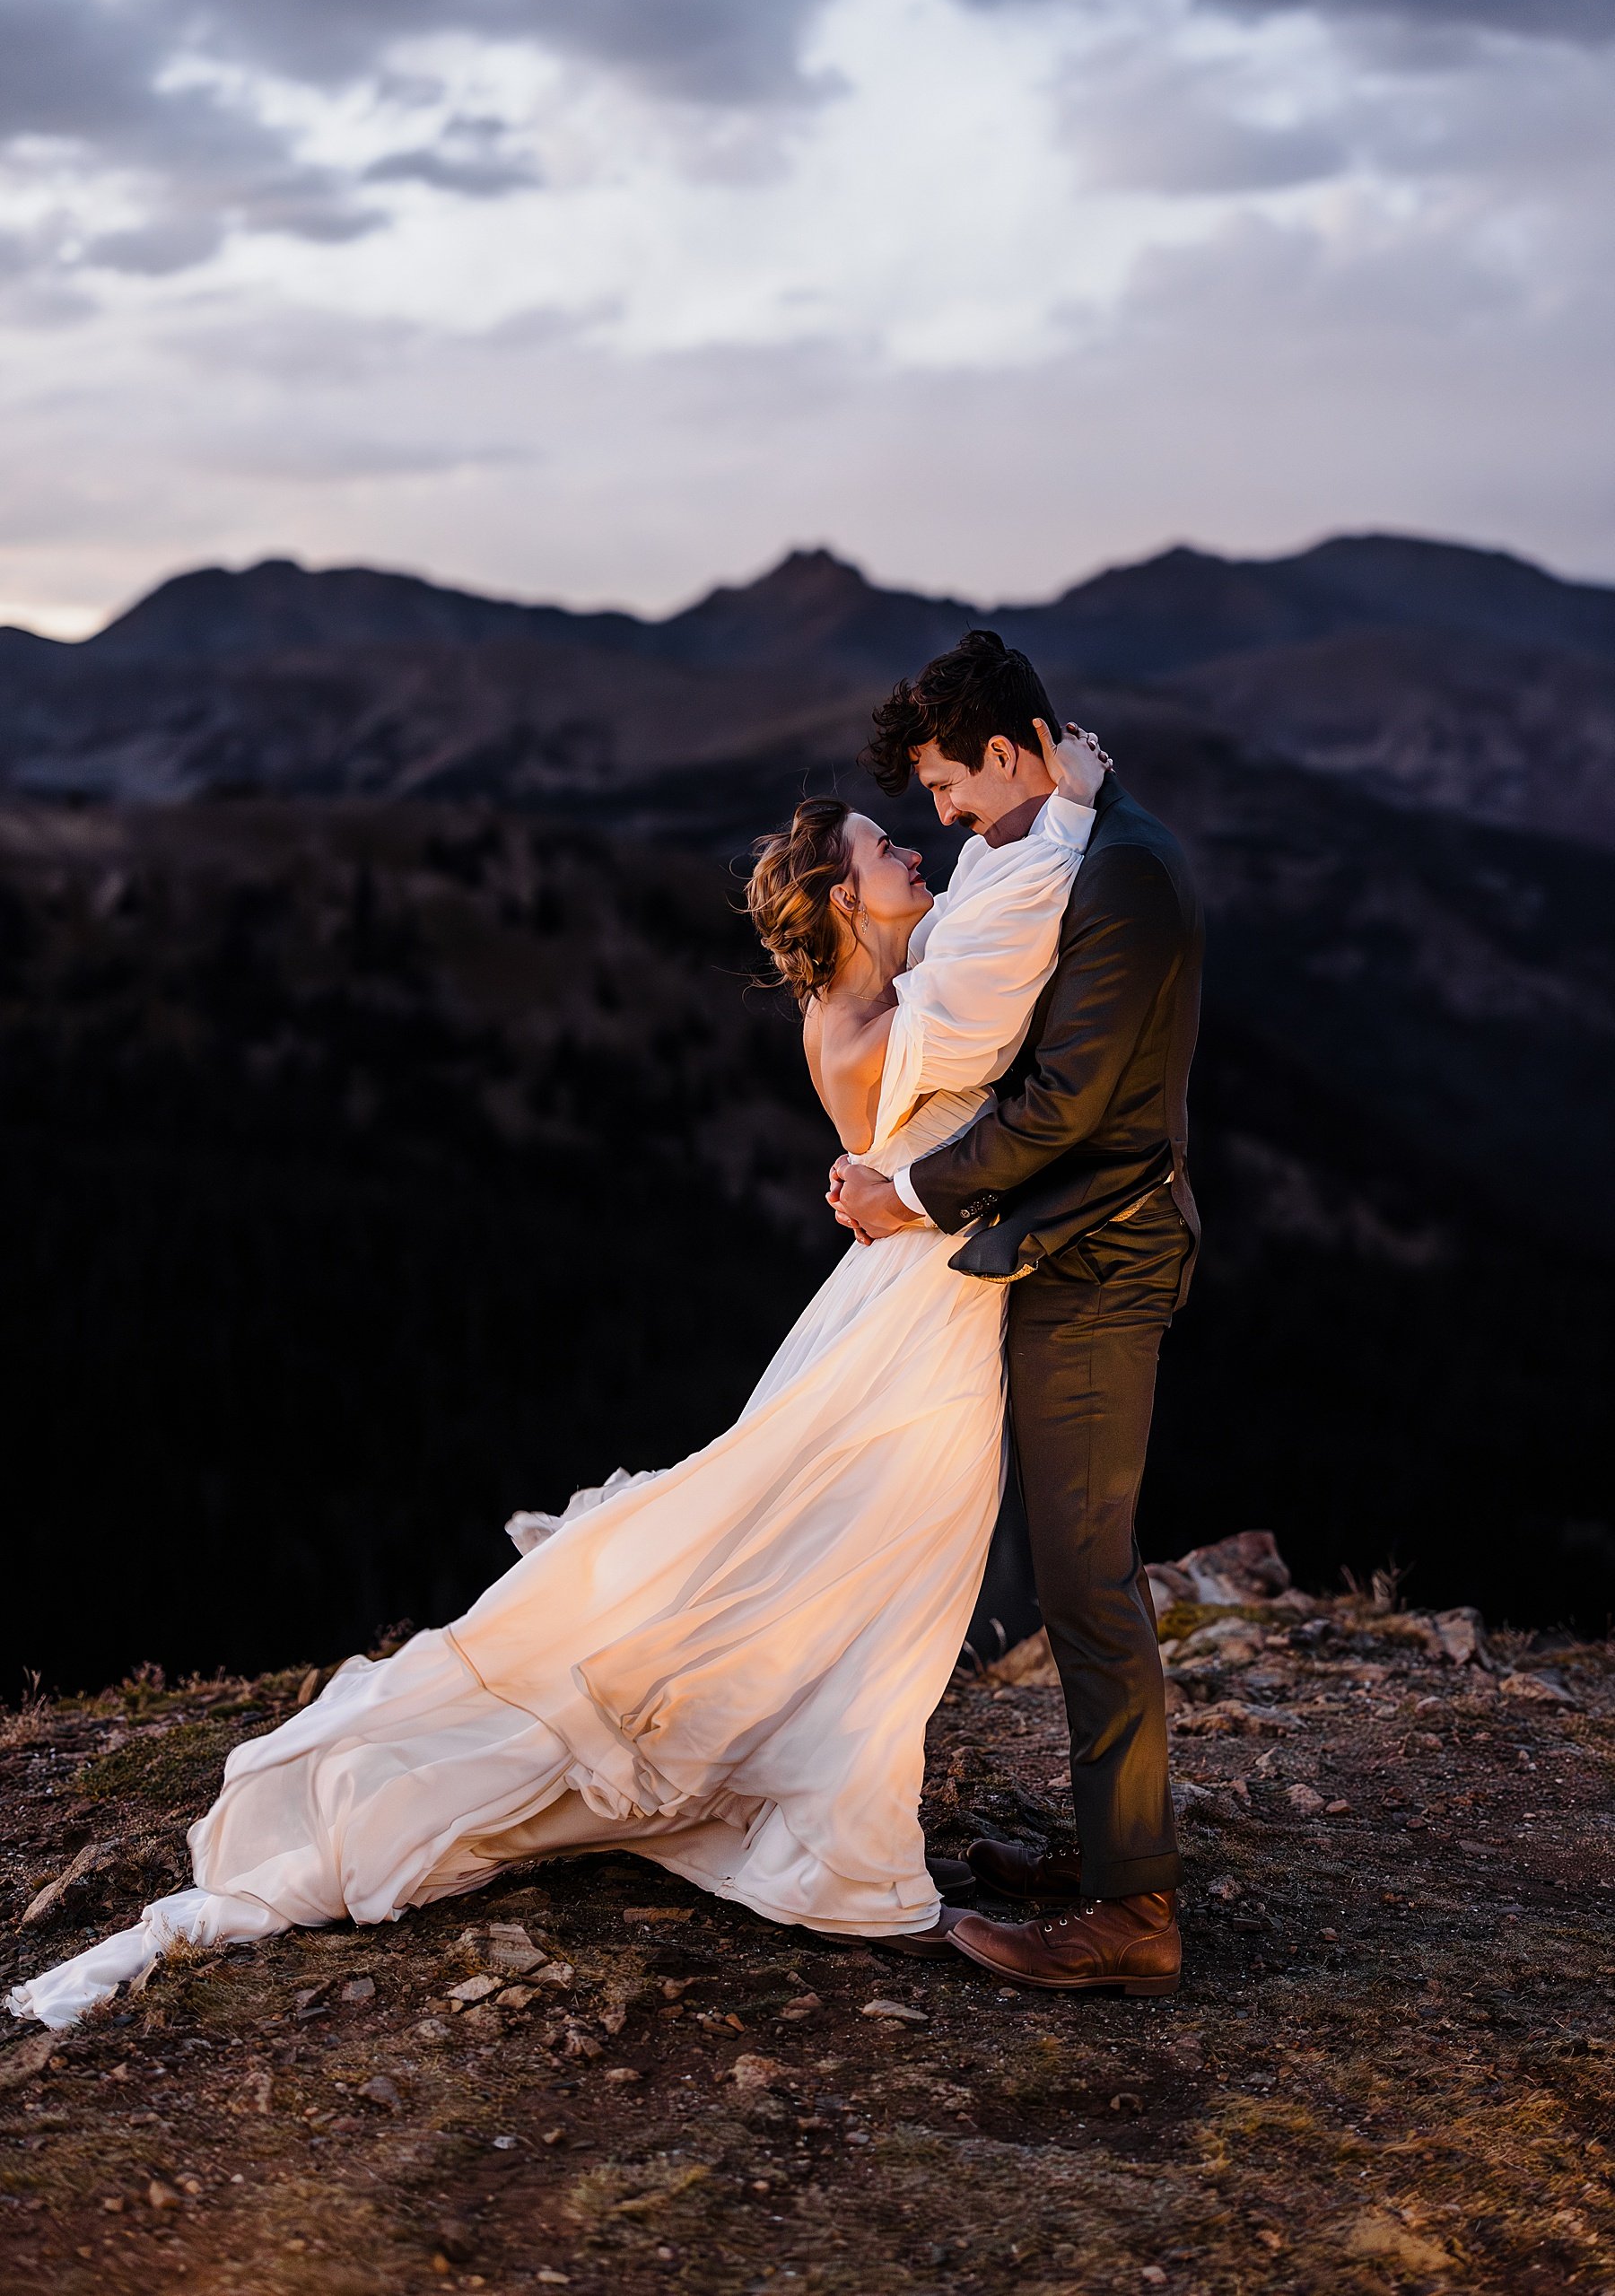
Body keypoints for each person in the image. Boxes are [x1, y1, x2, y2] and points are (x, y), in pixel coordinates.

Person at [10, 704, 1113, 2033]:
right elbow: (995, 992)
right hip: (916, 1308)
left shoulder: (880, 979)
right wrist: (1072, 816)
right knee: (875, 1552)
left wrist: (1028, 823)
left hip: (907, 1293)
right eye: (888, 845)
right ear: (841, 893)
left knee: (866, 1553)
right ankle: (825, 1808)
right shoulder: (867, 1023)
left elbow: (968, 940)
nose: (915, 855)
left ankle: (825, 1780)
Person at [834, 629, 1203, 1996]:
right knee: (1070, 1574)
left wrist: (911, 1194)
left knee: (1089, 1581)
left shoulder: (1130, 879)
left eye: (949, 787)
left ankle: (1135, 1918)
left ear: (1011, 752)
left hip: (1103, 1257)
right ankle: (1112, 1858)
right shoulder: (1079, 837)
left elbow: (1072, 1108)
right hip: (1062, 1250)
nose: (942, 818)